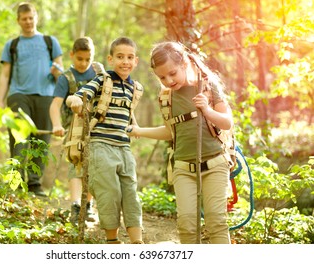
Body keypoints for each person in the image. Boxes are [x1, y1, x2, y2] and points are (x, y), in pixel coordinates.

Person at [127, 41, 233, 244]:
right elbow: (170, 132)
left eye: (173, 73)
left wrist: (207, 111)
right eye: (162, 77)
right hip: (184, 168)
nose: (168, 80)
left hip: (215, 165)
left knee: (217, 222)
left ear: (184, 62)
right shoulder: (166, 97)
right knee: (186, 225)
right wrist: (139, 131)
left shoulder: (208, 86)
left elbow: (227, 122)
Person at [66, 37, 144, 244]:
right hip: (101, 145)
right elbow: (81, 95)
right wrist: (74, 101)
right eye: (120, 57)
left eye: (129, 57)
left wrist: (135, 127)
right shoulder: (102, 80)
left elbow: (128, 110)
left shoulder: (135, 87)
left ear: (135, 61)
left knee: (130, 192)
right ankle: (112, 240)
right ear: (110, 59)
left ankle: (137, 241)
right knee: (109, 191)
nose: (125, 62)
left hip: (124, 147)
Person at [0, 2, 63, 197]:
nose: (28, 22)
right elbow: (4, 75)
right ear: (18, 21)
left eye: (31, 18)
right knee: (19, 138)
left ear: (36, 17)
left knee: (41, 140)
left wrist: (56, 71)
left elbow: (61, 73)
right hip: (18, 95)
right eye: (24, 19)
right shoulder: (12, 45)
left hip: (46, 96)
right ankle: (15, 182)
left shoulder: (50, 42)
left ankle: (34, 184)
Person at [49, 36, 98, 225]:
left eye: (88, 59)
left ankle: (88, 205)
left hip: (96, 128)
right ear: (72, 55)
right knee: (76, 165)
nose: (84, 63)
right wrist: (56, 124)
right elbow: (55, 105)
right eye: (80, 59)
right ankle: (76, 205)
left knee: (93, 167)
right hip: (73, 130)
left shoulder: (98, 74)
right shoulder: (66, 78)